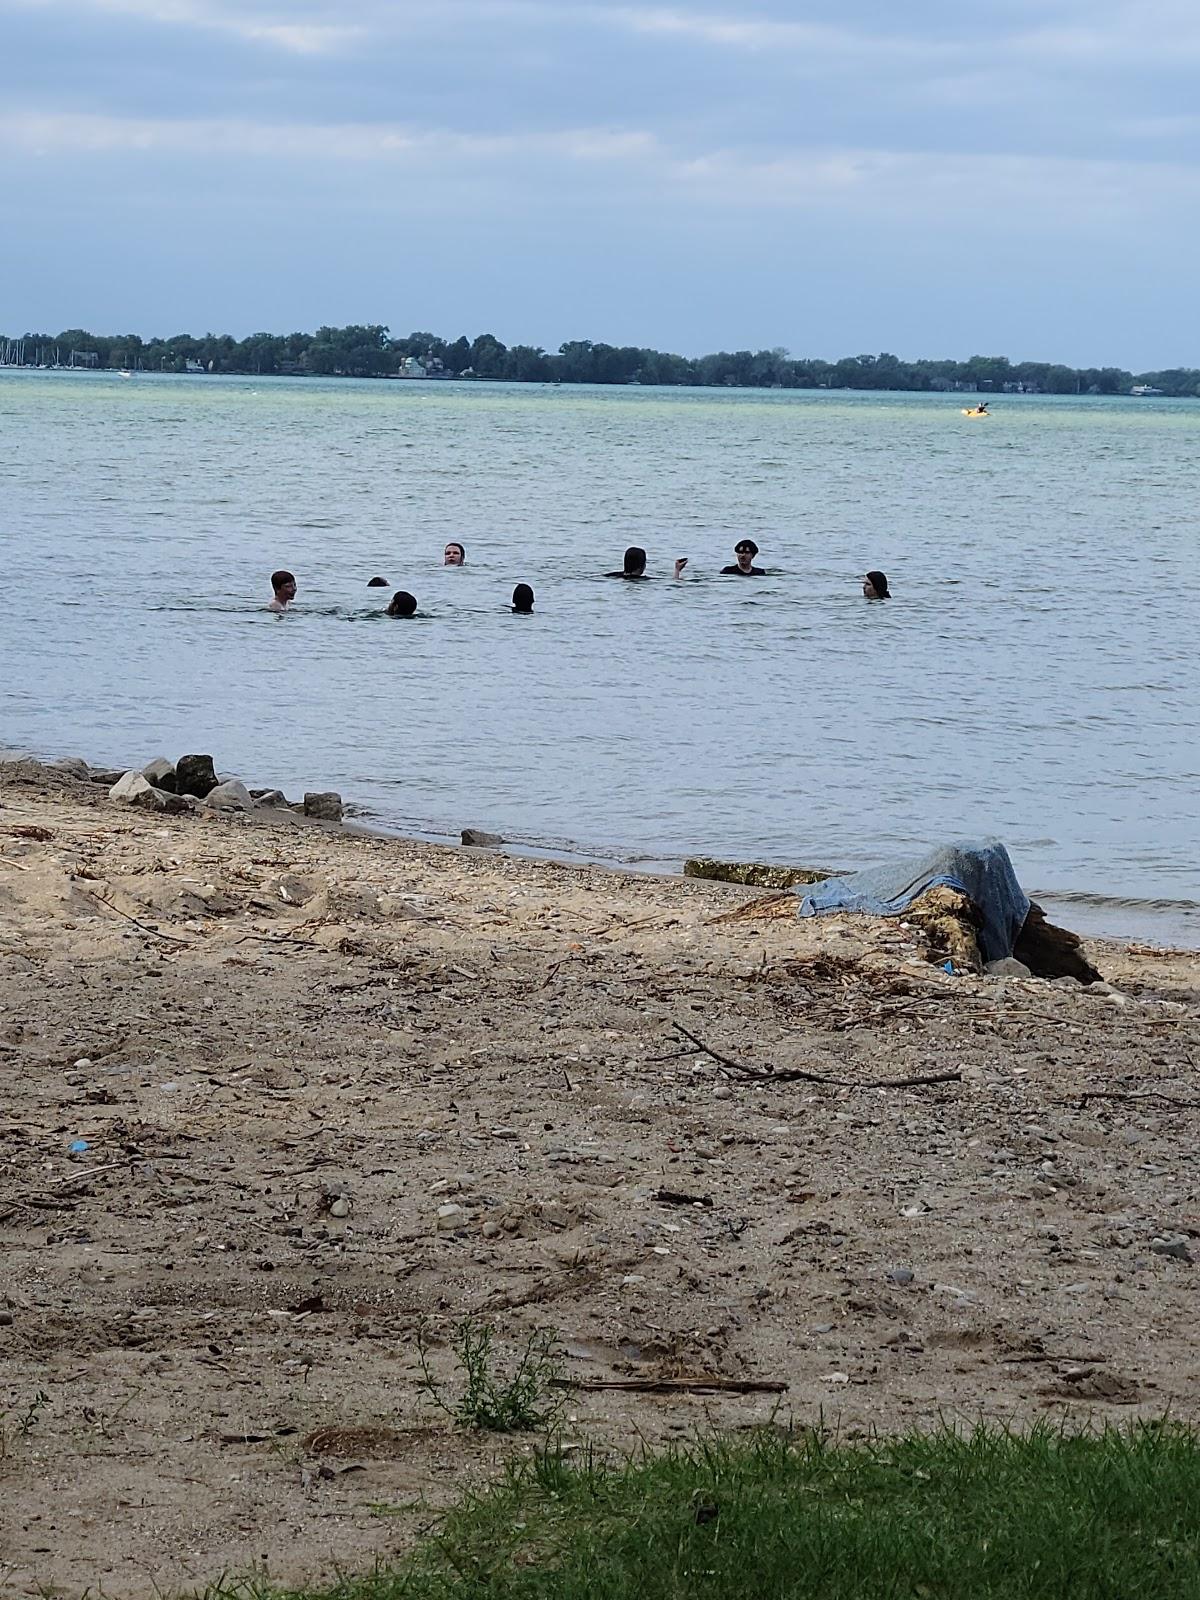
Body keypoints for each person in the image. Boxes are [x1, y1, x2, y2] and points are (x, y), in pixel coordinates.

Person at [605, 546, 688, 579]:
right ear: (643, 566)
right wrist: (677, 570)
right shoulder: (644, 580)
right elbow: (673, 583)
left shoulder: (611, 575)